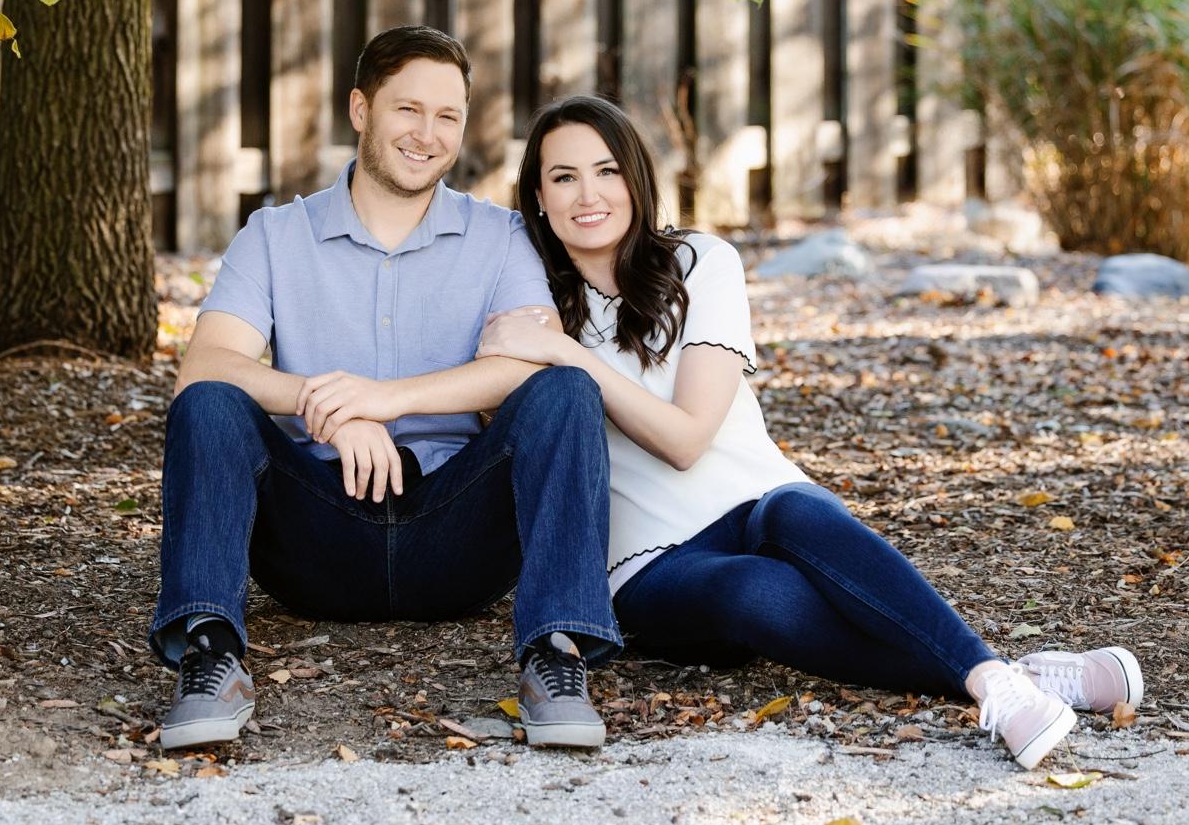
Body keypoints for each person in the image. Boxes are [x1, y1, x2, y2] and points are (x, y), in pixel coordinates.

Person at [477, 95, 1144, 770]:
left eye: (607, 171)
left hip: (763, 505)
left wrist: (568, 354)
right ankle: (1013, 676)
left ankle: (993, 681)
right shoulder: (531, 307)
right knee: (749, 593)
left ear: (637, 180)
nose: (588, 195)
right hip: (648, 567)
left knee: (797, 510)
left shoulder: (700, 262)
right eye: (564, 177)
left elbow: (686, 439)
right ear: (538, 198)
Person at [150, 29, 620, 752]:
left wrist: (388, 398)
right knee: (209, 404)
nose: (428, 135)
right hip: (316, 535)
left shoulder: (501, 237)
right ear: (360, 109)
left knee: (567, 390)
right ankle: (209, 652)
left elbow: (531, 364)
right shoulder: (275, 235)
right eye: (409, 109)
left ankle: (556, 654)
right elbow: (206, 364)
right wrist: (331, 409)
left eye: (448, 116)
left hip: (456, 534)